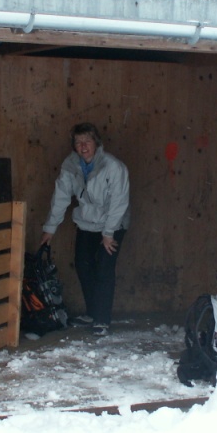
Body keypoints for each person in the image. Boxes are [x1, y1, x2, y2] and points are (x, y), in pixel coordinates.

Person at [40, 122, 130, 337]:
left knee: (104, 269)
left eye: (87, 141)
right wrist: (50, 228)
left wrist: (108, 233)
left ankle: (102, 319)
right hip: (87, 222)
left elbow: (119, 202)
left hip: (113, 223)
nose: (83, 146)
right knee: (83, 265)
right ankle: (92, 312)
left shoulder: (113, 167)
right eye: (78, 142)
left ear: (96, 143)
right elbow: (61, 197)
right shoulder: (71, 165)